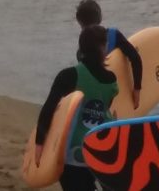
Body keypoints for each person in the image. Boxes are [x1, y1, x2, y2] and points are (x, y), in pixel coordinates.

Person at [35, 25, 118, 191]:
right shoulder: (111, 80)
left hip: (72, 152)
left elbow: (49, 110)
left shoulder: (68, 75)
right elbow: (104, 110)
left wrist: (39, 144)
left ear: (81, 48)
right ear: (103, 47)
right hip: (102, 150)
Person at [75, 0, 141, 111]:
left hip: (95, 103)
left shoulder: (81, 49)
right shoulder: (113, 35)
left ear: (80, 23)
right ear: (100, 18)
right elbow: (135, 59)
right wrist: (137, 89)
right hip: (114, 91)